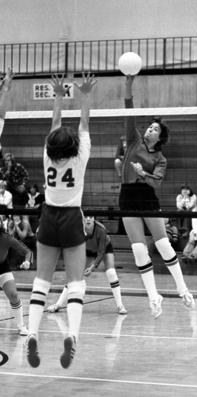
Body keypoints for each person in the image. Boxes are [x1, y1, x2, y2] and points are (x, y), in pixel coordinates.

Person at [26, 73, 97, 369]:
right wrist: (85, 95)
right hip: (70, 217)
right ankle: (72, 336)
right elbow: (84, 124)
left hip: (48, 215)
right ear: (73, 148)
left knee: (41, 281)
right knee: (76, 283)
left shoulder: (46, 156)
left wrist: (58, 94)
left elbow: (54, 125)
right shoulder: (79, 158)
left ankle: (32, 333)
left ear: (51, 146)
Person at [118, 75, 194, 319]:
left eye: (155, 129)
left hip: (148, 197)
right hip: (127, 197)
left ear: (160, 137)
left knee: (162, 244)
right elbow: (129, 111)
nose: (150, 129)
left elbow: (157, 181)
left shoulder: (161, 159)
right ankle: (153, 296)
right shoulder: (133, 140)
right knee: (139, 250)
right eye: (150, 126)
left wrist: (143, 173)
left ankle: (182, 289)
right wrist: (129, 86)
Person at [47, 216, 127, 315]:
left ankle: (120, 306)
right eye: (86, 217)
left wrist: (92, 267)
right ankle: (58, 305)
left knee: (111, 273)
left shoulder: (101, 230)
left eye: (91, 217)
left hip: (104, 249)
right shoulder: (77, 229)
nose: (88, 219)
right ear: (82, 219)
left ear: (94, 219)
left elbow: (101, 252)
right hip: (87, 250)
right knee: (73, 276)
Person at [0, 217, 31, 336]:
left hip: (2, 268)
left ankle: (21, 326)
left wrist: (27, 261)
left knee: (14, 295)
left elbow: (27, 252)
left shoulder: (6, 238)